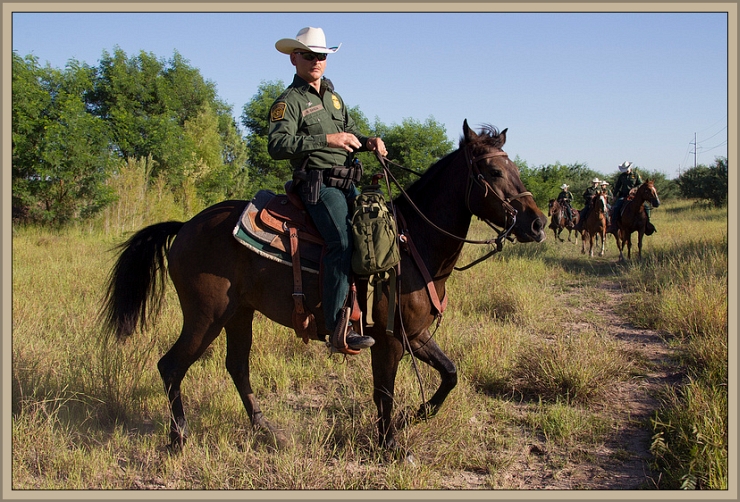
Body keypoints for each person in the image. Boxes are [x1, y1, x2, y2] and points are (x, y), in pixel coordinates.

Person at [267, 27, 387, 351]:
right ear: (294, 58)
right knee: (342, 242)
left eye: (321, 56)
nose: (316, 61)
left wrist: (368, 142)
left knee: (379, 232)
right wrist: (326, 139)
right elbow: (277, 145)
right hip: (318, 185)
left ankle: (383, 312)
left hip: (348, 182)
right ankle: (337, 328)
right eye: (308, 55)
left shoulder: (334, 98)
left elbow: (349, 134)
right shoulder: (288, 102)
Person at [608, 161, 655, 235]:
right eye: (624, 169)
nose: (626, 171)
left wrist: (634, 189)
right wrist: (614, 195)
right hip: (624, 195)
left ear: (630, 168)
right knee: (617, 207)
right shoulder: (622, 176)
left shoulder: (635, 175)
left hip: (635, 195)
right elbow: (617, 186)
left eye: (627, 169)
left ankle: (647, 223)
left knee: (646, 206)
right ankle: (613, 225)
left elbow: (640, 184)